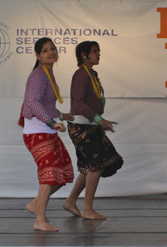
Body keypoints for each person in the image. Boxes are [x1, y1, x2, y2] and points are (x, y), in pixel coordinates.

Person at [62, 41, 123, 220]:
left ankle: (71, 201)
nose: (98, 54)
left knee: (88, 167)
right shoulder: (81, 74)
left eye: (98, 51)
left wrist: (99, 120)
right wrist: (98, 119)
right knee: (95, 166)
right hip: (81, 125)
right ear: (84, 55)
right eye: (95, 51)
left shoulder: (91, 74)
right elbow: (79, 104)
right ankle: (87, 208)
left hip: (89, 125)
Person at [19, 37, 74, 232]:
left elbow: (47, 104)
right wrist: (52, 121)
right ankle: (40, 220)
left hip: (48, 129)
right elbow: (32, 103)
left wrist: (61, 115)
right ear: (38, 56)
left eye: (52, 49)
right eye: (44, 50)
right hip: (37, 131)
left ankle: (35, 204)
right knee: (49, 175)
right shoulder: (38, 76)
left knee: (64, 173)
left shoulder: (48, 73)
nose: (50, 52)